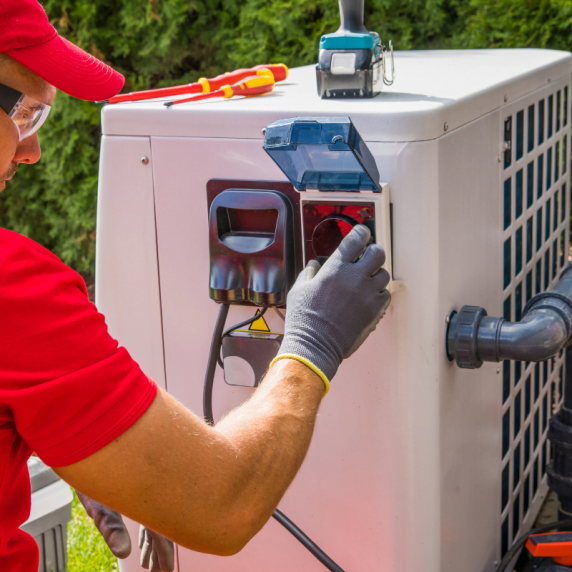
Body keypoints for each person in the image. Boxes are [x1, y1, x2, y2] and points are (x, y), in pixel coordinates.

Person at [0, 1, 392, 572]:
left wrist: (73, 430)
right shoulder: (15, 291)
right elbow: (221, 504)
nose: (33, 152)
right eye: (27, 115)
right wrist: (312, 346)